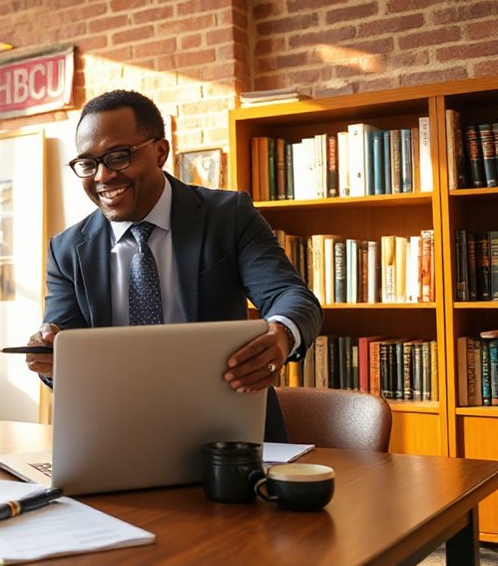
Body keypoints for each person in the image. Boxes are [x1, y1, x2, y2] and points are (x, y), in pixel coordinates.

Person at [24, 90, 322, 438]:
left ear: (160, 152)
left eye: (118, 157)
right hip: (119, 438)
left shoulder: (229, 216)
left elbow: (290, 295)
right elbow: (64, 352)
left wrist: (283, 334)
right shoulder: (67, 250)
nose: (102, 177)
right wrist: (50, 361)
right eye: (88, 164)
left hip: (230, 435)